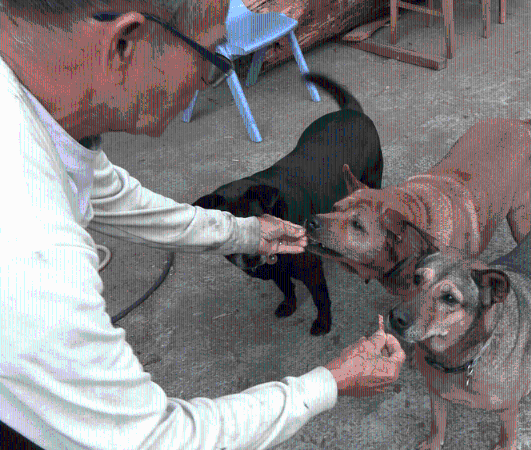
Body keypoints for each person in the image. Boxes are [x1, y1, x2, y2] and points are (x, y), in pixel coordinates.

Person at [0, 0, 406, 448]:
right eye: (212, 60)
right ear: (123, 46)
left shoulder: (40, 116)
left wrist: (247, 232)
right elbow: (149, 440)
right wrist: (332, 382)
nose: (204, 82)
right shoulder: (31, 245)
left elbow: (112, 193)